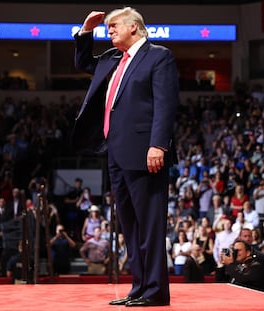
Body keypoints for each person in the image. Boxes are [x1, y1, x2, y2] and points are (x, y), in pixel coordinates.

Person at [72, 7, 178, 307]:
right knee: (130, 226)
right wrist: (85, 31)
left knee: (150, 225)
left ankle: (155, 290)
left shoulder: (159, 56)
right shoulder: (113, 59)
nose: (110, 31)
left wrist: (158, 144)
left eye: (114, 26)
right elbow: (83, 63)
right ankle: (139, 287)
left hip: (146, 153)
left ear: (134, 26)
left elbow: (165, 104)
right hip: (116, 153)